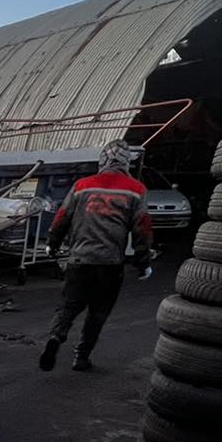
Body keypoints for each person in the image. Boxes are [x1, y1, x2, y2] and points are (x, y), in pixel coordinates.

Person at [38, 140, 154, 372]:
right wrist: (143, 263)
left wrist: (52, 243)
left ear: (102, 160)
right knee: (98, 313)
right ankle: (81, 357)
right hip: (110, 264)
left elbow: (62, 217)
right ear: (126, 162)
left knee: (69, 307)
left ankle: (55, 337)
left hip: (80, 260)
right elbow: (142, 228)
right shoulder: (136, 189)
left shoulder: (82, 186)